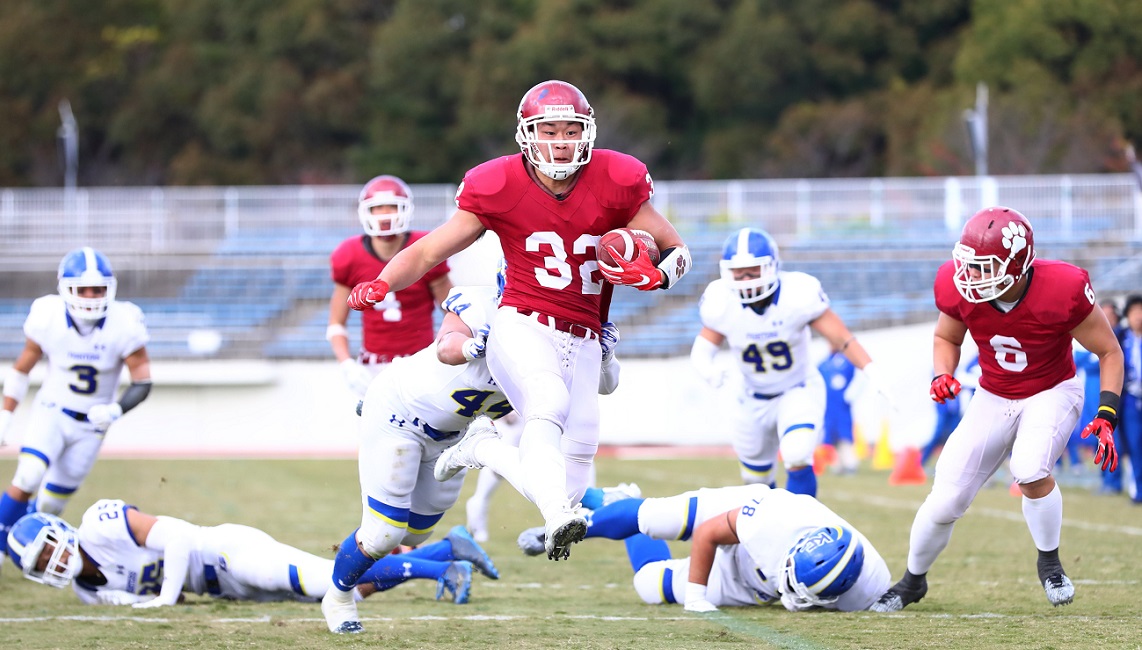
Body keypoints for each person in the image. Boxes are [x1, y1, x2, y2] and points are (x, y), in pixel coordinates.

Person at [345, 80, 692, 564]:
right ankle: (551, 516)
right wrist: (384, 282)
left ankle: (485, 451)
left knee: (571, 479)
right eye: (548, 130)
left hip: (586, 333)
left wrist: (655, 275)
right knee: (544, 403)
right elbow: (427, 250)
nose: (561, 141)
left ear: (587, 132)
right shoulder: (498, 184)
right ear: (526, 134)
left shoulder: (618, 178)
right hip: (524, 318)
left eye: (571, 130)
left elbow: (680, 251)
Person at [871, 206, 1124, 613]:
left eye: (983, 267)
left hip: (1052, 389)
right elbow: (946, 337)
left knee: (1028, 468)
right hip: (993, 393)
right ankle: (912, 581)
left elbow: (1109, 350)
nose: (970, 277)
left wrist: (1107, 413)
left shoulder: (1062, 287)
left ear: (1019, 265)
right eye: (968, 265)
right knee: (944, 500)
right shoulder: (958, 288)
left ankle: (1050, 564)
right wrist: (942, 374)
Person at [322, 273, 510, 633]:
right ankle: (338, 598)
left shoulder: (555, 341)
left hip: (450, 435)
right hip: (401, 416)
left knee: (415, 535)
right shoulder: (484, 306)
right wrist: (473, 348)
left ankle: (444, 551)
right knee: (384, 534)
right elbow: (447, 345)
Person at [690, 227, 893, 497]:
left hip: (797, 389)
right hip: (751, 397)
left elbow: (842, 338)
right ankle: (769, 529)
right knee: (755, 482)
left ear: (772, 267)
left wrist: (870, 369)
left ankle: (804, 529)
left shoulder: (798, 294)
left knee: (797, 455)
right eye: (738, 271)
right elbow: (704, 346)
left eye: (753, 269)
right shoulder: (721, 301)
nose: (745, 277)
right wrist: (706, 368)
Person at [5, 500, 493, 607]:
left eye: (47, 551)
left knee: (324, 584)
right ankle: (448, 546)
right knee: (346, 593)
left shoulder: (99, 524)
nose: (53, 563)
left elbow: (176, 536)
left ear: (59, 532)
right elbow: (146, 604)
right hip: (226, 589)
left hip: (222, 552)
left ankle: (442, 569)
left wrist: (163, 598)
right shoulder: (89, 590)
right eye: (41, 566)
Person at [516, 483, 890, 612]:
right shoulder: (769, 522)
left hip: (754, 584)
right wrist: (695, 597)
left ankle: (623, 507)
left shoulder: (868, 584)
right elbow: (710, 532)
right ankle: (601, 512)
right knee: (655, 518)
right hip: (734, 518)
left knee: (647, 585)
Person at [0, 248, 151, 558]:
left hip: (92, 426)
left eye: (98, 288)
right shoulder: (48, 316)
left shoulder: (124, 321)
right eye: (83, 288)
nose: (91, 296)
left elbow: (143, 381)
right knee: (28, 474)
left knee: (51, 503)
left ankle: (22, 548)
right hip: (53, 411)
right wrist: (5, 414)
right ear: (65, 288)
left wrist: (116, 409)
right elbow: (21, 370)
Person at [328, 175, 453, 397]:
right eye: (378, 208)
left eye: (392, 207)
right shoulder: (349, 255)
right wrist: (346, 364)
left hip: (421, 361)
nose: (385, 215)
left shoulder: (425, 247)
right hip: (371, 365)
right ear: (366, 212)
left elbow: (451, 310)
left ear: (406, 210)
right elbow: (336, 323)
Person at [818, 344, 858, 474]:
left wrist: (851, 394)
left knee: (844, 434)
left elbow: (858, 380)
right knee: (831, 435)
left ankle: (849, 463)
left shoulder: (848, 361)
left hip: (841, 405)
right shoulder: (824, 363)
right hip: (828, 406)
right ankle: (837, 464)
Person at [1118, 294, 1142, 503]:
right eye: (1135, 312)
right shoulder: (1122, 337)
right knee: (1134, 445)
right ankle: (1138, 491)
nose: (1139, 317)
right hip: (1131, 400)